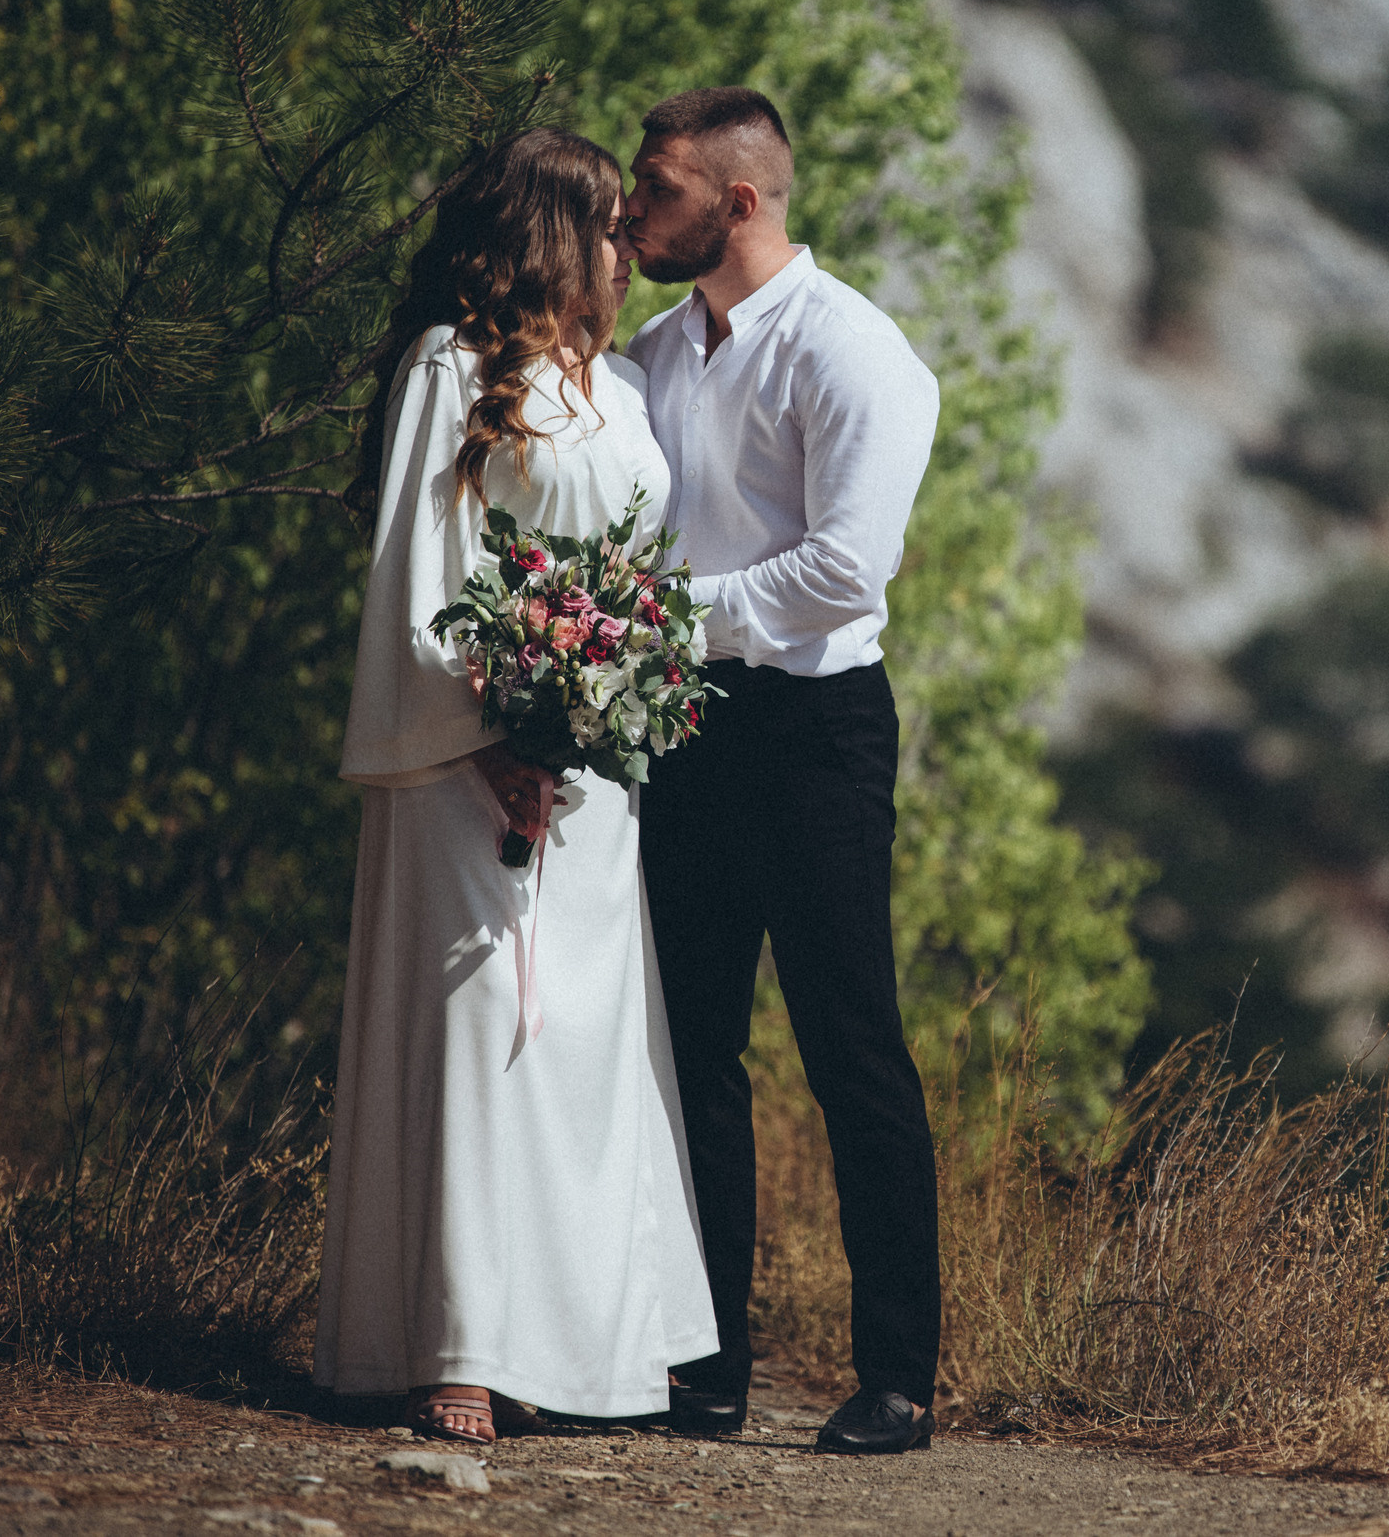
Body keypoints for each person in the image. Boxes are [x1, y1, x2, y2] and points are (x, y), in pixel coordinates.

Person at [317, 126, 719, 1445]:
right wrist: (488, 731)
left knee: (585, 1046)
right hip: (464, 764)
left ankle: (580, 1342)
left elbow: (634, 579)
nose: (628, 249)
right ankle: (460, 1348)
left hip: (595, 772)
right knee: (489, 1026)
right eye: (608, 225)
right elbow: (422, 567)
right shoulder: (455, 364)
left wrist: (608, 695)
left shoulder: (617, 386)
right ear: (551, 232)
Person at [622, 88, 943, 1456]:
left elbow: (843, 571)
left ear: (735, 203)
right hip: (685, 727)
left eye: (654, 190)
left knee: (849, 1048)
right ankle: (707, 1369)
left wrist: (654, 623)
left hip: (816, 734)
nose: (629, 217)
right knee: (691, 1049)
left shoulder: (858, 353)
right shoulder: (649, 352)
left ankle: (899, 1381)